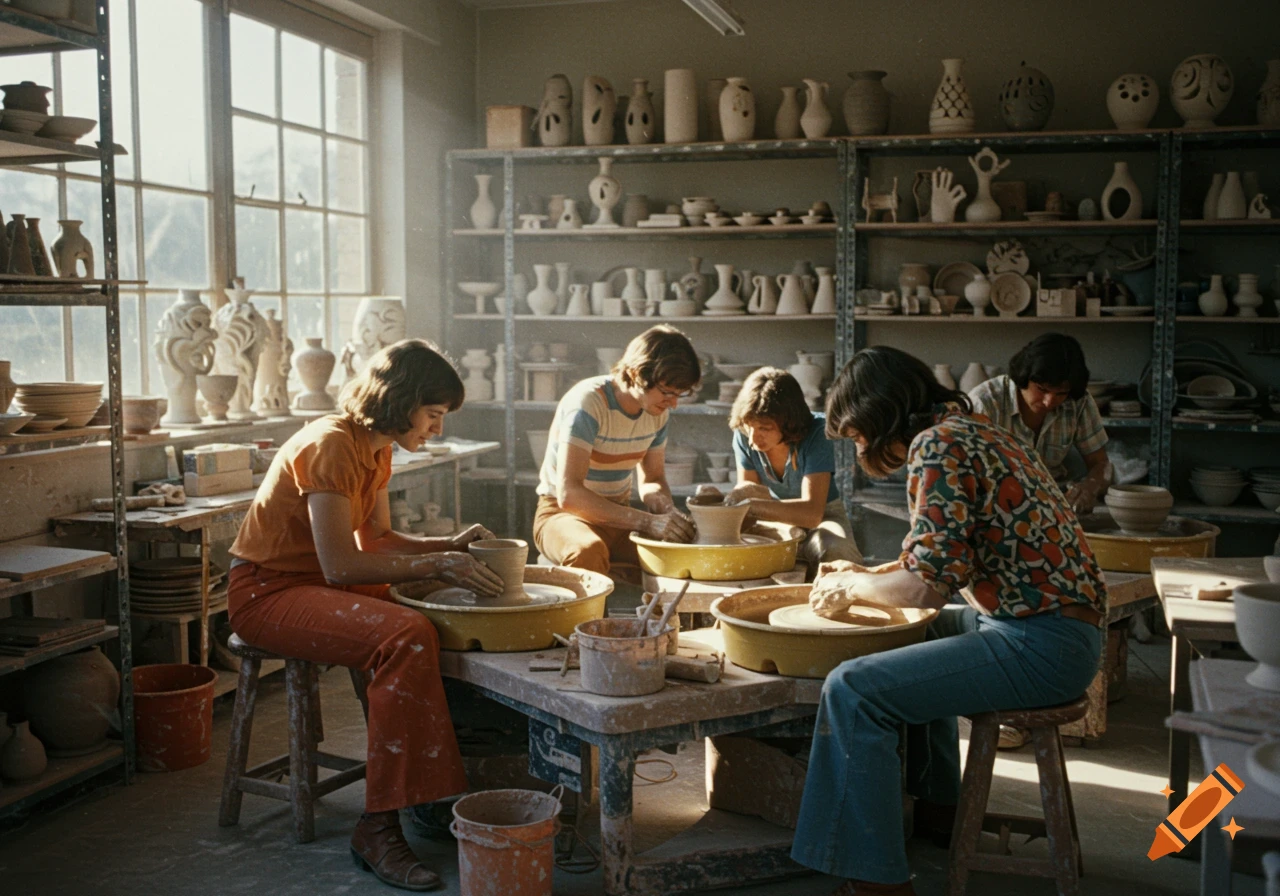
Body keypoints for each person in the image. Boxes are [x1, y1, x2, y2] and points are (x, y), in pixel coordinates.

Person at [789, 346, 1107, 896]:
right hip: (1052, 630)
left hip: (1043, 643)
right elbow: (943, 556)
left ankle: (876, 881)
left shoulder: (938, 444)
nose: (862, 449)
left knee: (853, 691)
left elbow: (925, 588)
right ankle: (938, 807)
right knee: (916, 634)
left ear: (883, 412)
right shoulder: (977, 430)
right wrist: (869, 571)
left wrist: (851, 585)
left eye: (861, 435)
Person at [227, 338, 504, 893]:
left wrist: (446, 546)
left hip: (311, 584)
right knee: (406, 633)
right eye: (433, 415)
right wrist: (437, 561)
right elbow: (339, 565)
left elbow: (374, 538)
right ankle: (377, 828)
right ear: (401, 401)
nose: (437, 430)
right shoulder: (332, 444)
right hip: (267, 593)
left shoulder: (375, 447)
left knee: (434, 610)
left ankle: (425, 797)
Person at [533, 325, 699, 577]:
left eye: (680, 394)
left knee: (677, 554)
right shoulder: (588, 404)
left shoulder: (657, 412)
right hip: (563, 515)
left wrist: (665, 510)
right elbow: (570, 494)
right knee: (588, 551)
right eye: (667, 392)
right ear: (636, 373)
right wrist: (647, 522)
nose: (673, 404)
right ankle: (594, 619)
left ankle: (655, 618)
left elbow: (653, 479)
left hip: (617, 516)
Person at [724, 366, 862, 569]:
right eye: (749, 426)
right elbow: (749, 493)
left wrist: (748, 504)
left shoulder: (816, 433)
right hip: (771, 518)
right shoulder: (744, 435)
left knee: (835, 548)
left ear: (788, 422)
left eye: (764, 428)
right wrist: (726, 506)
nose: (753, 439)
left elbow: (811, 513)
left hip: (823, 517)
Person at [967, 333, 1111, 515]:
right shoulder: (985, 403)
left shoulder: (1077, 402)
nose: (1049, 401)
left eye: (1061, 393)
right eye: (1042, 389)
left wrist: (1091, 486)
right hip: (996, 507)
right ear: (1023, 377)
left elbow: (1101, 463)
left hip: (1053, 504)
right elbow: (966, 475)